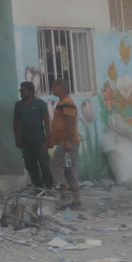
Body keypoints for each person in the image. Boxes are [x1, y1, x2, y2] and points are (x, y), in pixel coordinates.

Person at [13, 81, 53, 189]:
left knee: (44, 164)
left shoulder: (40, 104)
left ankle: (49, 186)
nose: (21, 92)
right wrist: (17, 138)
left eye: (23, 90)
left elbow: (46, 121)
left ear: (31, 91)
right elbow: (16, 123)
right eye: (20, 90)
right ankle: (38, 187)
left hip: (40, 140)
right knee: (30, 166)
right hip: (25, 141)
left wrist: (49, 138)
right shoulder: (18, 105)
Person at [49, 79, 82, 208]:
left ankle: (65, 192)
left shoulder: (67, 103)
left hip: (68, 142)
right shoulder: (62, 102)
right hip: (65, 141)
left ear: (61, 88)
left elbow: (69, 122)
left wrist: (67, 141)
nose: (52, 89)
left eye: (54, 87)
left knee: (56, 165)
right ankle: (75, 198)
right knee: (68, 169)